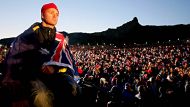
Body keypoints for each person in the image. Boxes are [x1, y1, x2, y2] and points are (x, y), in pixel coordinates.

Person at [1, 2, 80, 107]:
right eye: (51, 12)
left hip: (55, 75)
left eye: (57, 13)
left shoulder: (61, 38)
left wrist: (55, 68)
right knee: (41, 95)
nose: (55, 16)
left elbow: (67, 60)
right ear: (42, 15)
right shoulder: (28, 36)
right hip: (33, 75)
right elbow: (15, 59)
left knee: (73, 88)